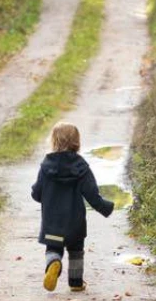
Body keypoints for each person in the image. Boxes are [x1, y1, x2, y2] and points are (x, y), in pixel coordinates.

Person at [31, 122, 114, 292]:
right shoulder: (81, 166)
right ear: (76, 142)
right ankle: (75, 283)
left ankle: (54, 262)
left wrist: (42, 196)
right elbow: (92, 194)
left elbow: (37, 192)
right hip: (75, 221)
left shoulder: (46, 165)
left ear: (54, 141)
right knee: (76, 251)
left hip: (52, 221)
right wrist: (106, 207)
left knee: (53, 248)